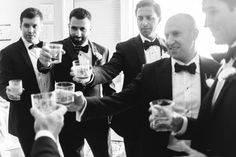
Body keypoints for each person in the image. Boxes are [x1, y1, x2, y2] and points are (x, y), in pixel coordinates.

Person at [68, 13, 220, 157]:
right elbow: (121, 100)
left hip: (204, 151)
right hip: (159, 151)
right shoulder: (151, 71)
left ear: (195, 34)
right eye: (167, 35)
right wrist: (84, 103)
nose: (169, 41)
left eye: (176, 34)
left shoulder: (216, 70)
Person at [73, 0, 167, 156]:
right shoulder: (126, 47)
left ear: (159, 19)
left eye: (149, 18)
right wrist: (91, 75)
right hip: (134, 119)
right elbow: (108, 70)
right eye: (140, 18)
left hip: (163, 118)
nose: (144, 23)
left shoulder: (169, 45)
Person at [150, 0, 236, 156]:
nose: (206, 23)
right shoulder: (226, 65)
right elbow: (216, 127)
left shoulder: (214, 66)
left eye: (213, 11)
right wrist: (179, 122)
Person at [38, 8, 114, 157]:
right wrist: (44, 62)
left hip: (97, 116)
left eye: (82, 29)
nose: (78, 33)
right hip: (68, 118)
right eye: (74, 28)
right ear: (68, 26)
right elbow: (44, 67)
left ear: (90, 29)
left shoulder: (103, 51)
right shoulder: (55, 48)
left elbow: (108, 85)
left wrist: (110, 115)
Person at [0, 8, 53, 156]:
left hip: (51, 111)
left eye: (34, 26)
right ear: (20, 26)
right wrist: (8, 93)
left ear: (41, 26)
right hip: (25, 117)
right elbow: (2, 84)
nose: (30, 30)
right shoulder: (8, 53)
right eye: (26, 25)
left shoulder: (51, 49)